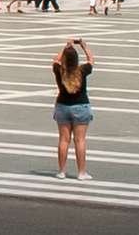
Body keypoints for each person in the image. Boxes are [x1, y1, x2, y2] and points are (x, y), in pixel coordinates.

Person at [51, 37, 95, 180]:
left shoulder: (59, 71)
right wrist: (83, 45)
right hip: (81, 107)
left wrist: (66, 46)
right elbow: (91, 59)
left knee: (64, 140)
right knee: (80, 140)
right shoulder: (81, 71)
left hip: (63, 106)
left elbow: (56, 61)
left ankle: (61, 171)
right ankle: (81, 172)